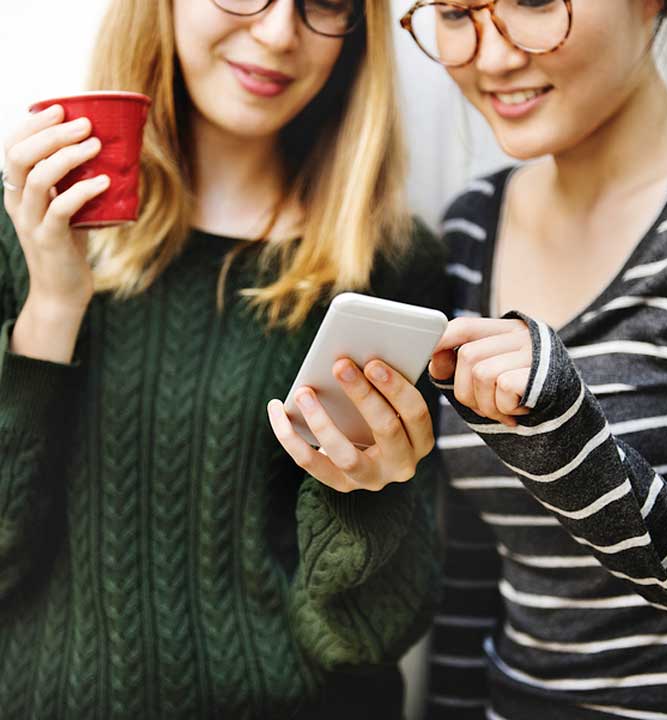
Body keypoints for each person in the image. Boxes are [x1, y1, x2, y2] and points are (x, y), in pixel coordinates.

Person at [0, 0, 448, 717]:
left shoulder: (391, 271)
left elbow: (369, 637)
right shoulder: (27, 230)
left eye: (324, 3)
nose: (278, 34)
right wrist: (53, 306)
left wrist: (372, 500)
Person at [398, 0, 667, 718]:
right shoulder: (470, 227)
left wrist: (570, 450)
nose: (493, 57)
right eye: (454, 13)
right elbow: (476, 572)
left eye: (536, 2)